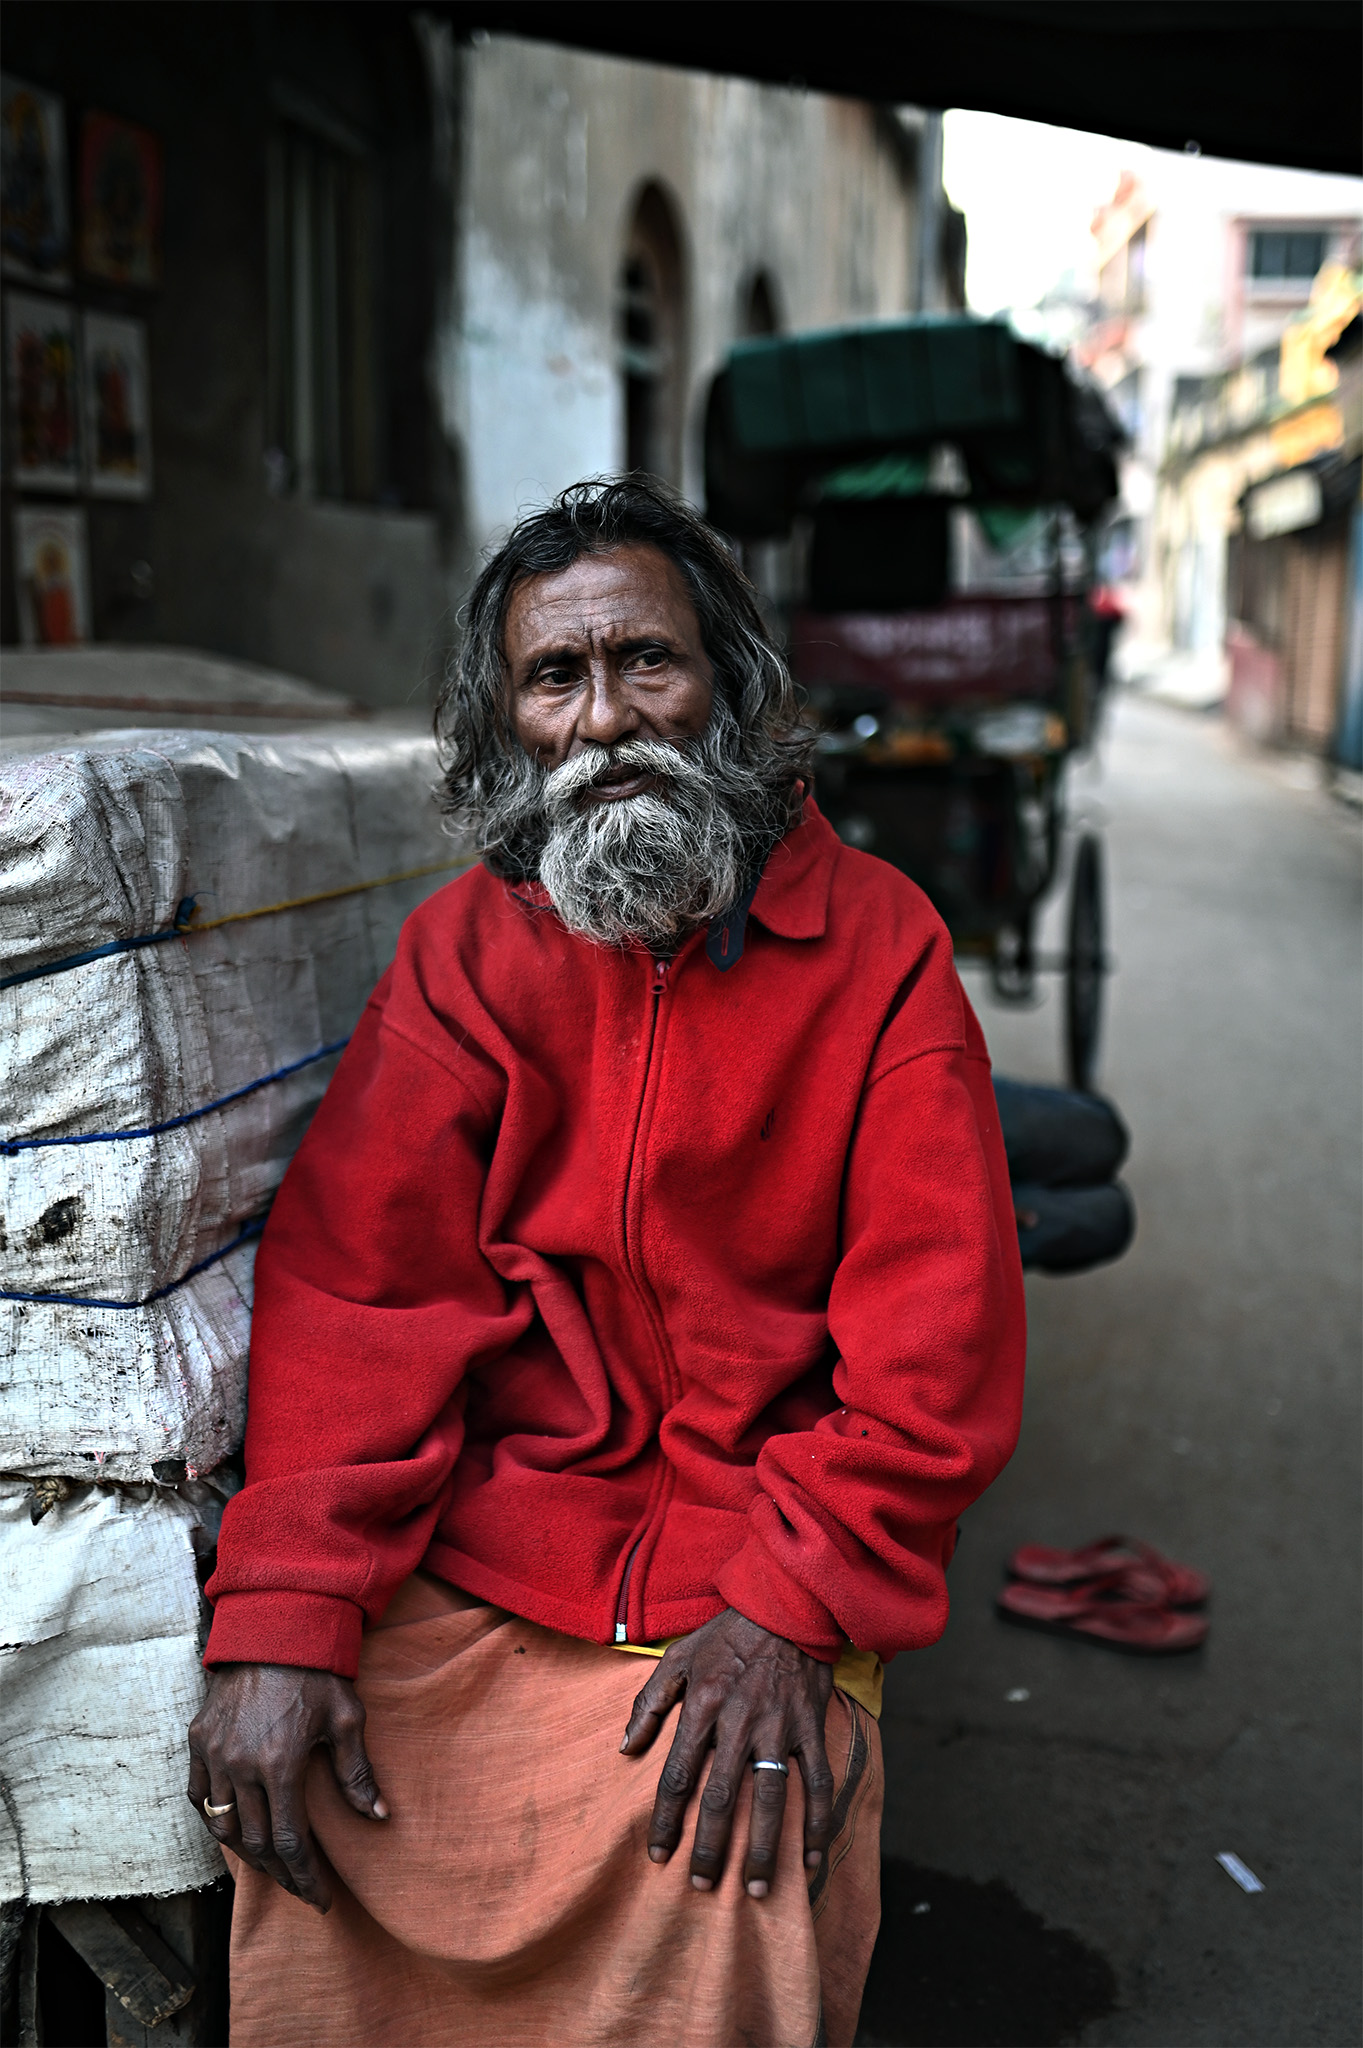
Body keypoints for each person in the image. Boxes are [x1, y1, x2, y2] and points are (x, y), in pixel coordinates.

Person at [189, 477, 1026, 2048]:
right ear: (508, 723)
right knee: (320, 1815)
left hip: (753, 1551)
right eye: (554, 680)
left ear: (730, 684)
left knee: (735, 1846)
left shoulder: (884, 949)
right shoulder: (465, 953)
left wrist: (788, 1608)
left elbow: (934, 1350)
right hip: (502, 1540)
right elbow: (362, 1293)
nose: (606, 720)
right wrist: (285, 1612)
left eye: (648, 662)